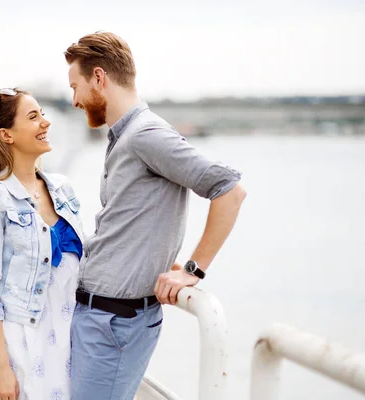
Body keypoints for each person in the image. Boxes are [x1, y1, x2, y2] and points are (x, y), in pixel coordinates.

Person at [64, 32, 247, 399]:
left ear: (100, 78)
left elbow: (229, 189)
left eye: (76, 87)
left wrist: (192, 270)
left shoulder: (145, 134)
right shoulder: (124, 136)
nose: (74, 100)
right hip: (99, 319)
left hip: (115, 325)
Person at [0, 88, 84, 400]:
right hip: (17, 345)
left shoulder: (63, 189)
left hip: (66, 344)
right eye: (33, 116)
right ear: (6, 135)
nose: (45, 122)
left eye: (43, 114)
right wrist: (0, 368)